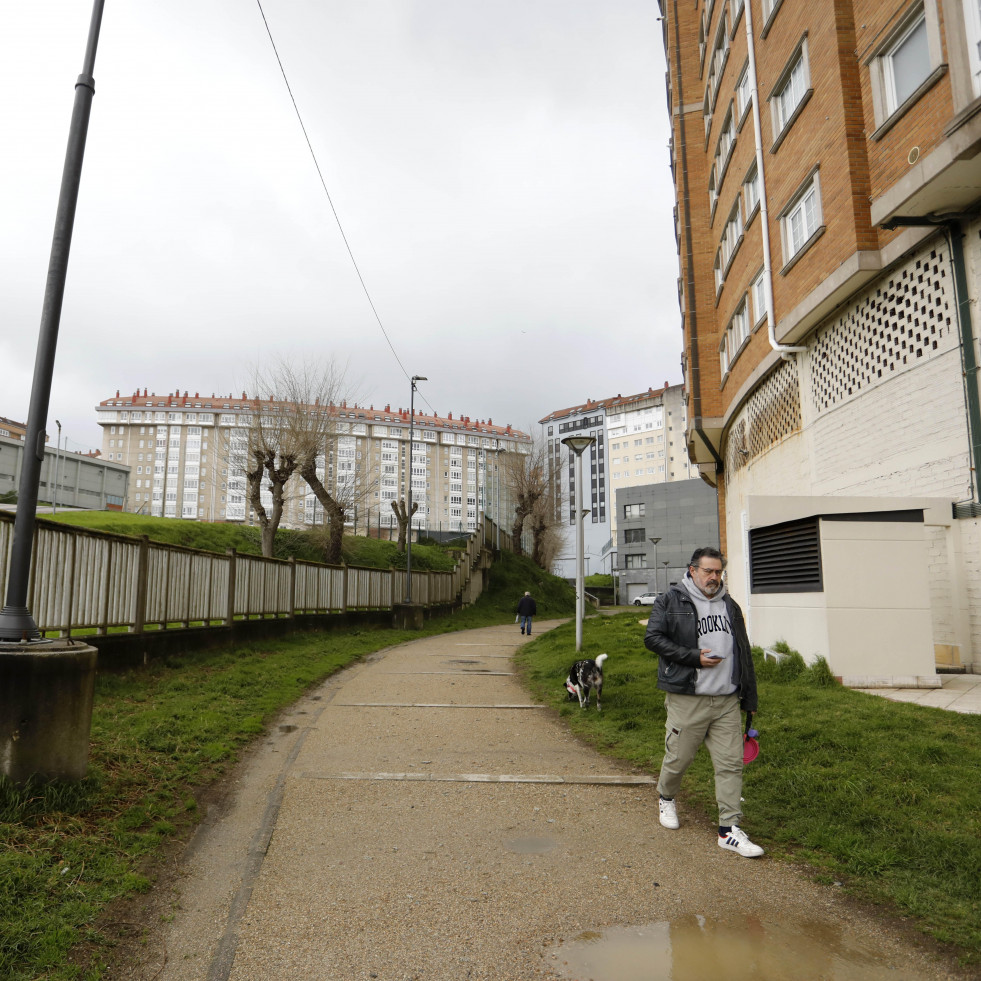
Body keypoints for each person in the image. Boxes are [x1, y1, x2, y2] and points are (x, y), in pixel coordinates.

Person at [644, 547, 763, 858]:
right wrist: (693, 658)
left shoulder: (730, 605)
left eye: (718, 572)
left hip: (726, 699)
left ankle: (728, 830)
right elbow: (653, 639)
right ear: (692, 570)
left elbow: (743, 652)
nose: (714, 577)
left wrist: (749, 696)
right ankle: (666, 797)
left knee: (730, 764)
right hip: (688, 697)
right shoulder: (670, 600)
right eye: (708, 571)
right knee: (678, 758)